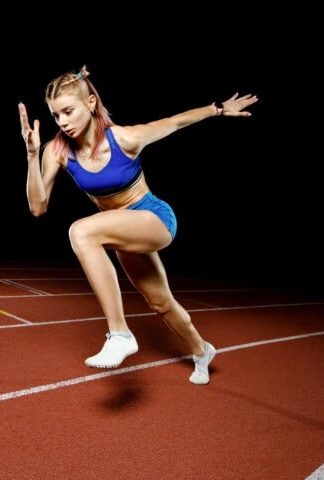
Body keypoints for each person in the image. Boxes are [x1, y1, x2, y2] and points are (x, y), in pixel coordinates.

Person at [18, 65, 258, 385]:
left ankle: (120, 334)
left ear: (90, 103)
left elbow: (175, 122)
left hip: (153, 218)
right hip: (119, 231)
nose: (62, 122)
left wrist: (216, 109)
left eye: (68, 111)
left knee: (81, 231)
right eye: (55, 115)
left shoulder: (125, 138)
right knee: (161, 302)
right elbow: (37, 207)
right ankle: (202, 351)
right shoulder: (57, 151)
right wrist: (33, 156)